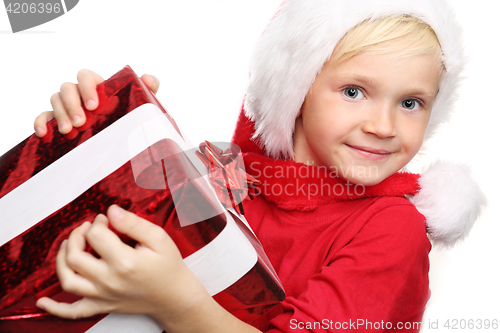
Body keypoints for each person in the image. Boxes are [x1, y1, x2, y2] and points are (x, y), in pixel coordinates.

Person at [33, 0, 485, 332]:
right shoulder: (224, 173)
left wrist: (176, 302)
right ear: (296, 90)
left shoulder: (391, 228)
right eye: (353, 91)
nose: (384, 125)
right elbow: (94, 228)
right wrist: (91, 135)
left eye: (411, 102)